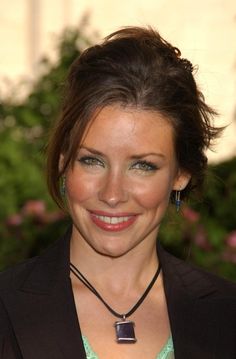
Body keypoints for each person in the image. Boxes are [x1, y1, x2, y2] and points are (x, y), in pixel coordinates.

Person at [0, 26, 235, 359]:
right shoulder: (6, 308)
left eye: (142, 166)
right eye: (92, 160)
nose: (113, 194)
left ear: (181, 174)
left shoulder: (227, 317)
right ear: (64, 163)